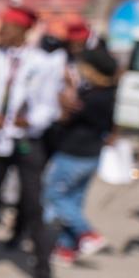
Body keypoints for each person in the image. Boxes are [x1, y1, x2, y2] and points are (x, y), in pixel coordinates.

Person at [0, 6, 64, 278]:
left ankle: (42, 267)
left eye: (8, 27)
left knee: (33, 203)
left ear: (24, 31)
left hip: (27, 140)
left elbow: (49, 106)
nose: (1, 32)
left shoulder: (43, 62)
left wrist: (30, 120)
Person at [43, 46, 118, 264]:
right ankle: (66, 248)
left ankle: (88, 234)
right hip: (91, 155)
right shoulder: (109, 93)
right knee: (73, 200)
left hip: (73, 154)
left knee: (53, 197)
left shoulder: (92, 96)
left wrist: (65, 90)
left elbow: (67, 115)